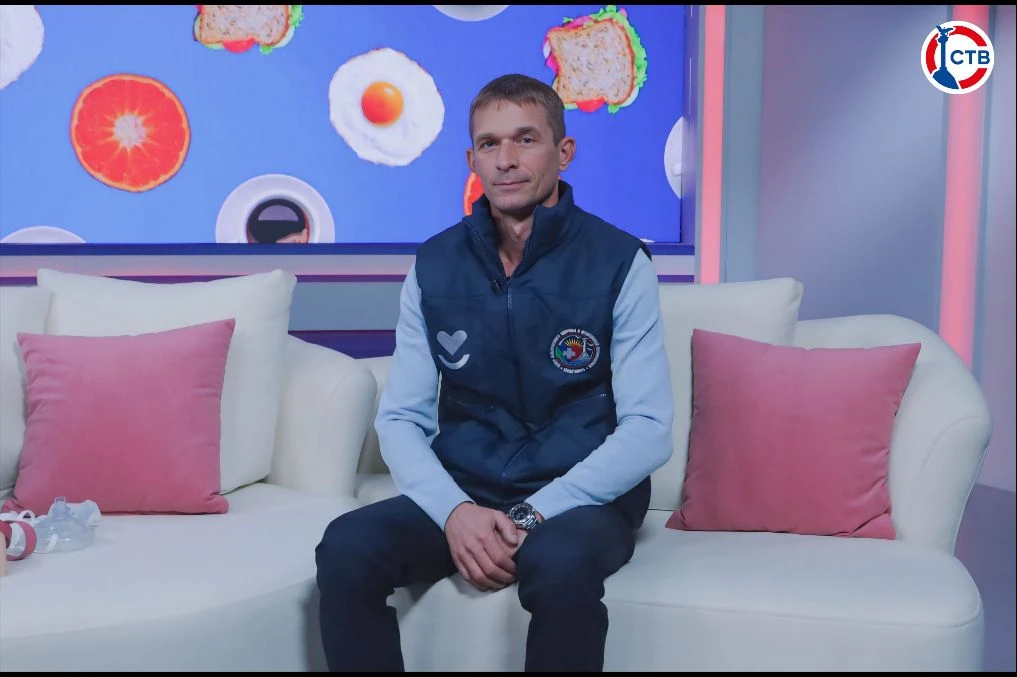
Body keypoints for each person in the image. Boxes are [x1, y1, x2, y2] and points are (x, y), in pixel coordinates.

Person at [315, 73, 674, 672]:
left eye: (525, 139)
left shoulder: (620, 262)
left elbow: (649, 430)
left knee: (559, 565)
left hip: (581, 499)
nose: (506, 160)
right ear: (472, 160)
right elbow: (400, 419)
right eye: (489, 144)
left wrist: (533, 513)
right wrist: (455, 512)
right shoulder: (434, 265)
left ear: (563, 152)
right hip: (470, 490)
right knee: (346, 548)